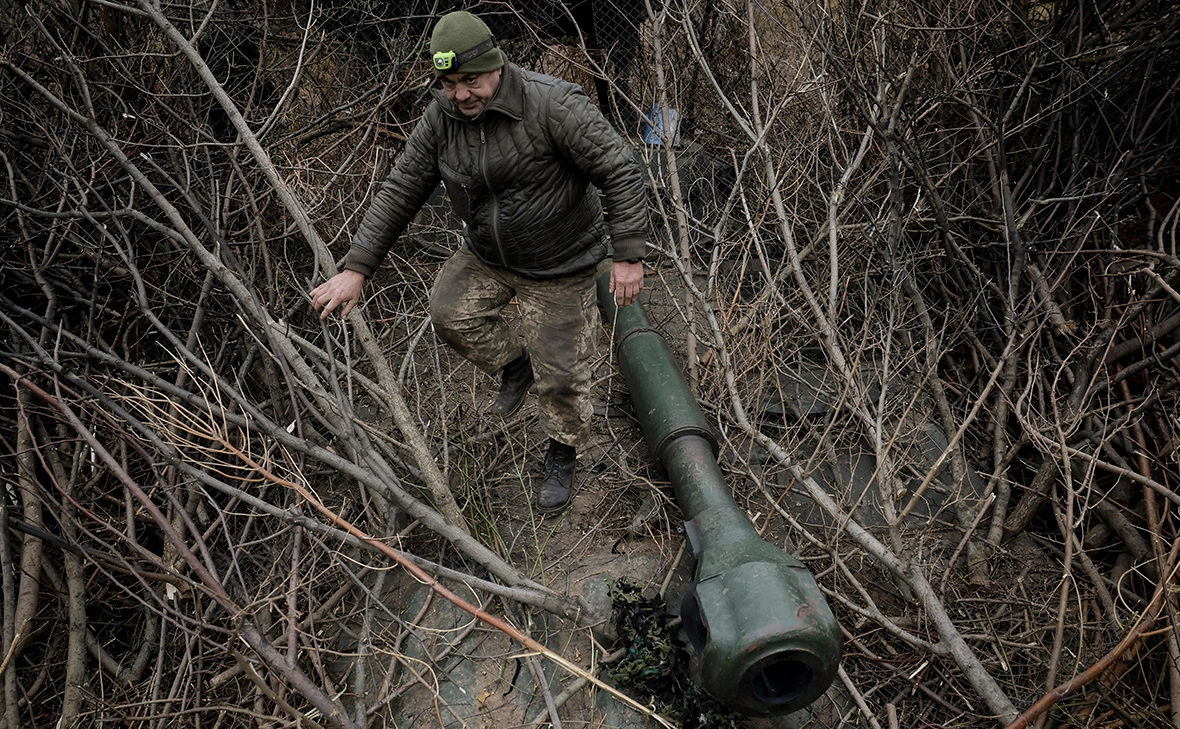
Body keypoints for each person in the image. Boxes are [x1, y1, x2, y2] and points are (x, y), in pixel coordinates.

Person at [310, 11, 647, 514]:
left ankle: (562, 452)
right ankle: (516, 365)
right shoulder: (441, 118)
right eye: (448, 83)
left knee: (564, 379)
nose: (460, 95)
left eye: (470, 80)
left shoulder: (552, 104)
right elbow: (402, 187)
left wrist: (628, 255)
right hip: (489, 254)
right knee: (449, 313)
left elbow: (621, 171)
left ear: (496, 67)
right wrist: (358, 267)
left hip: (560, 261)